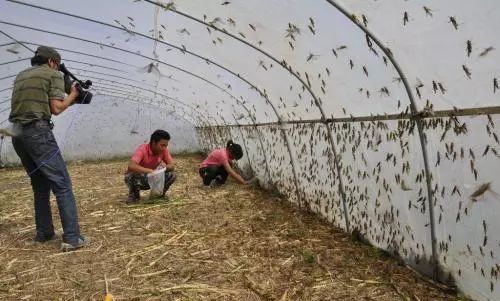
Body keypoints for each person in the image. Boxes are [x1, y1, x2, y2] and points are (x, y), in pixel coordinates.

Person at [9, 45, 87, 251]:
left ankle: (44, 233)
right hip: (38, 133)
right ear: (53, 62)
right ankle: (72, 238)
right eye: (57, 66)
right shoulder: (52, 74)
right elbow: (57, 108)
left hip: (17, 135)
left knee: (40, 185)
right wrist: (73, 94)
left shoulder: (22, 75)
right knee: (62, 184)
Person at [125, 129, 176, 203]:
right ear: (153, 143)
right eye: (162, 145)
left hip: (153, 177)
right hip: (140, 179)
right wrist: (150, 171)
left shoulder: (164, 150)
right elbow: (131, 166)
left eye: (166, 146)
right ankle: (134, 196)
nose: (164, 148)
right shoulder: (142, 149)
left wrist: (163, 169)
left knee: (172, 175)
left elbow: (172, 165)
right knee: (133, 174)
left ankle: (158, 196)